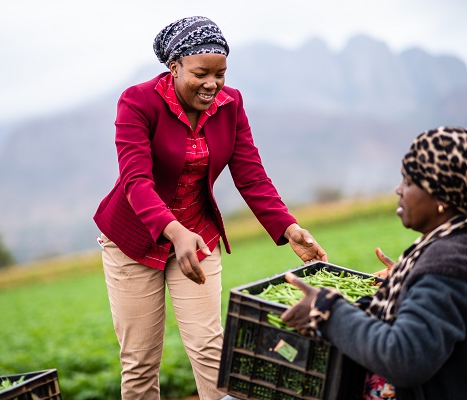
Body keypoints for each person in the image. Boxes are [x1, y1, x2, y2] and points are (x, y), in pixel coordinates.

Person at [93, 16, 328, 400]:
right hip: (133, 239)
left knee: (209, 347)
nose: (212, 84)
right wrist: (174, 231)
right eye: (201, 74)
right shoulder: (138, 101)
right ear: (174, 67)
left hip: (197, 233)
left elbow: (251, 176)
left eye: (220, 74)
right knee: (140, 359)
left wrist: (288, 227)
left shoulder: (230, 104)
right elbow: (136, 181)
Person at [281, 126, 467, 400]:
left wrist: (329, 310)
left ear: (442, 196)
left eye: (409, 182)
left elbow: (404, 359)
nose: (399, 190)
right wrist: (404, 284)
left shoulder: (445, 270)